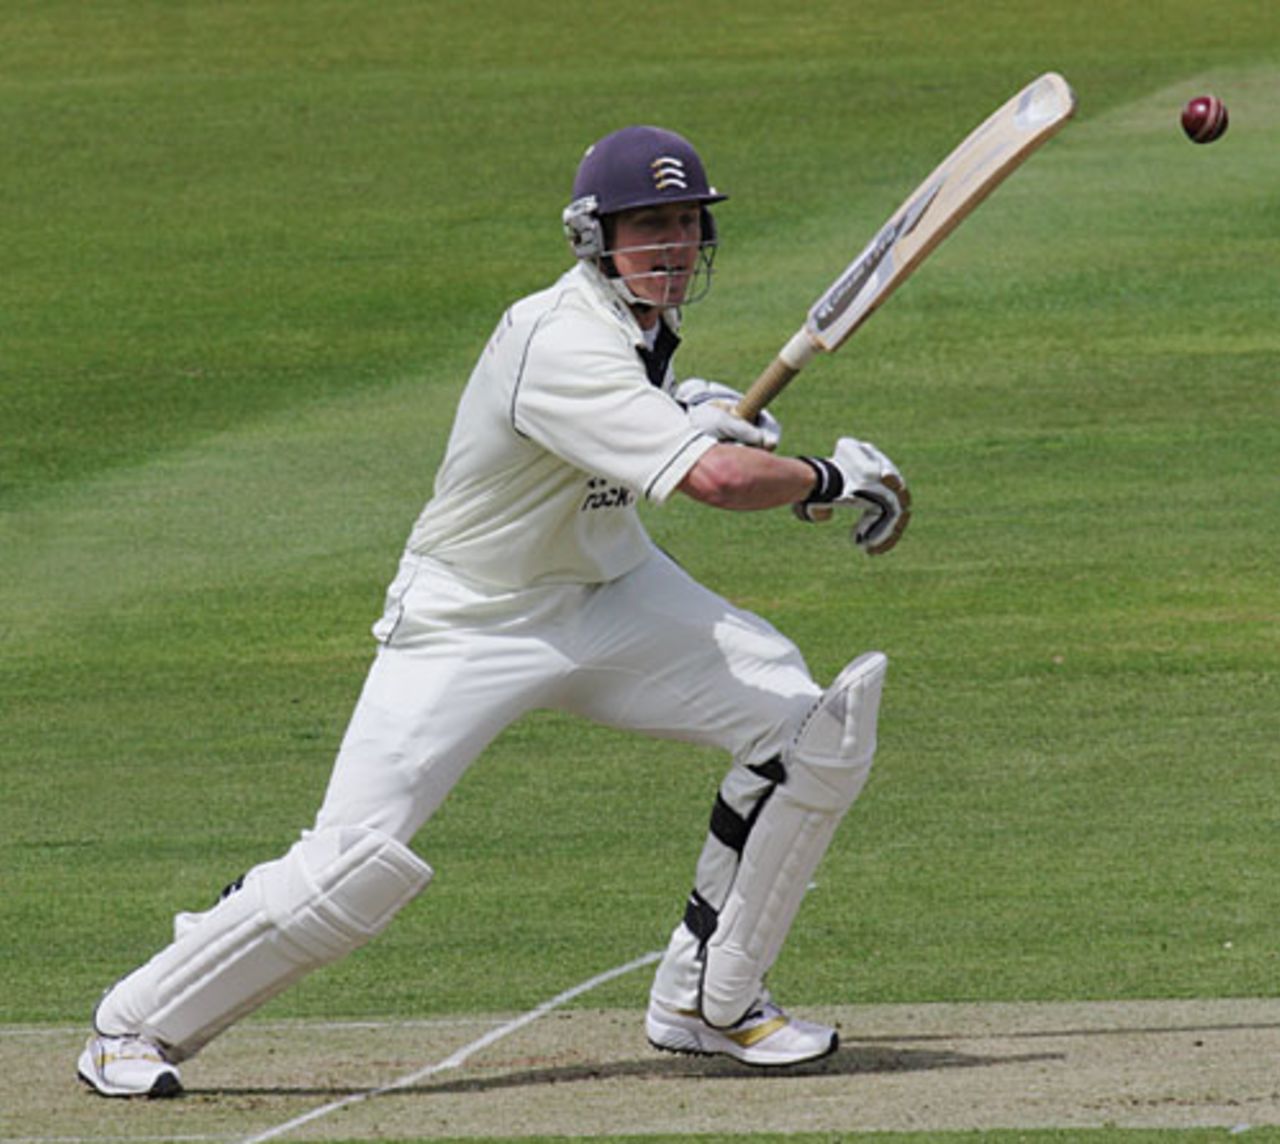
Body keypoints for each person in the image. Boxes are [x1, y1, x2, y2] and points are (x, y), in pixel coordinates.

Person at [77, 124, 911, 1098]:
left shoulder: (639, 330)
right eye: (650, 225)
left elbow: (649, 426)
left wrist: (688, 407)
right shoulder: (555, 336)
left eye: (687, 222)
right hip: (471, 619)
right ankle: (130, 1027)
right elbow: (717, 481)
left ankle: (708, 1001)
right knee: (351, 864)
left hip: (610, 592)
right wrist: (828, 475)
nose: (675, 245)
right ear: (593, 237)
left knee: (807, 730)